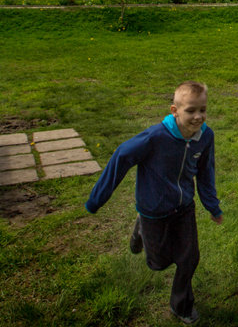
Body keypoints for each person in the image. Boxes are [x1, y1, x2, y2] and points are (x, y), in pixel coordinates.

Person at [85, 81, 223, 324]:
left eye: (203, 109)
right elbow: (121, 156)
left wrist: (212, 206)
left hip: (184, 207)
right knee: (158, 263)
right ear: (175, 110)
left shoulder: (205, 137)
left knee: (189, 258)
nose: (198, 116)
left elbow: (205, 174)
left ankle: (181, 306)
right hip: (154, 209)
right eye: (191, 110)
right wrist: (97, 199)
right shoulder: (155, 137)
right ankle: (140, 228)